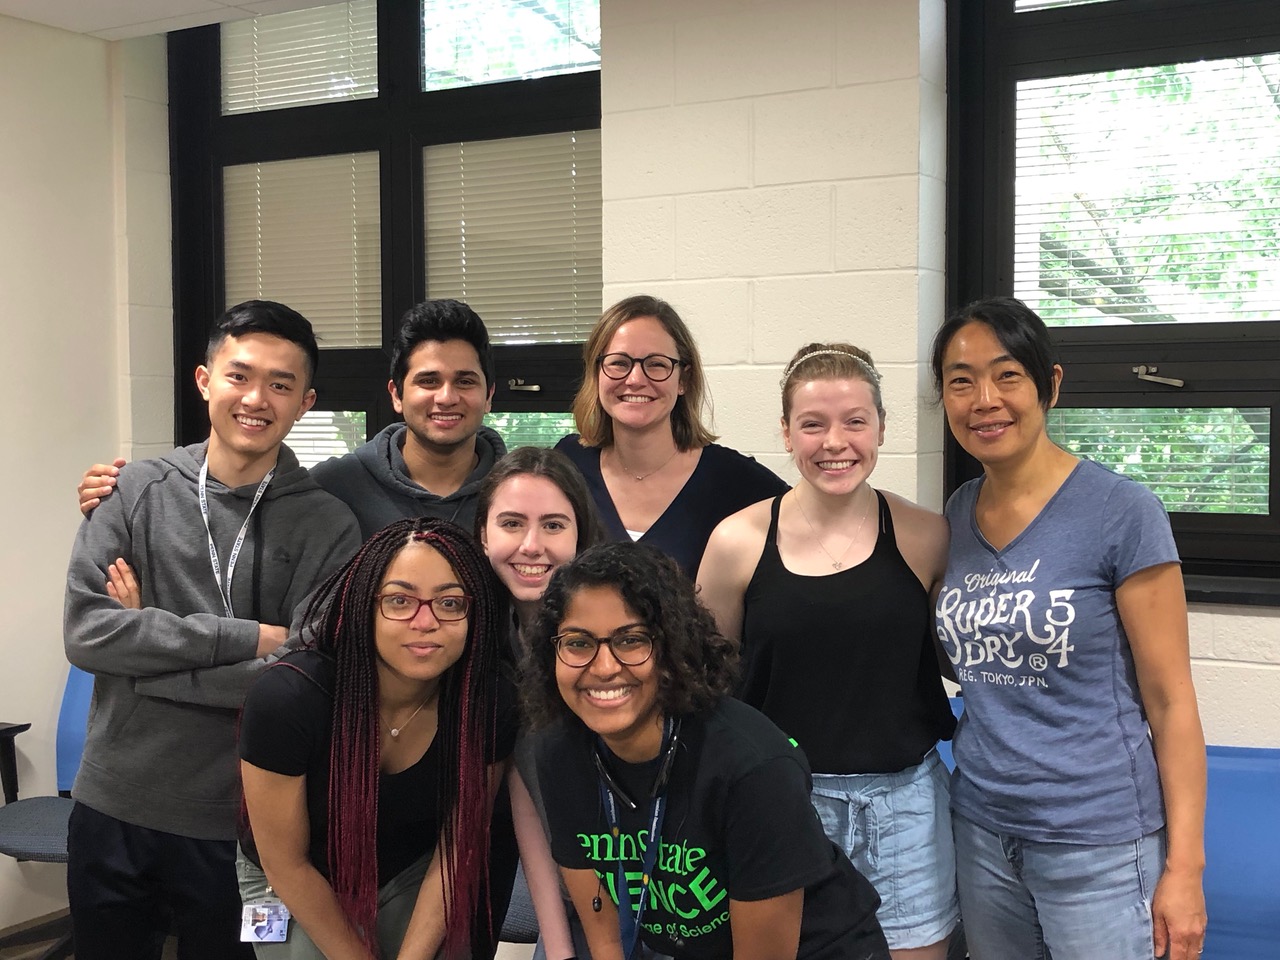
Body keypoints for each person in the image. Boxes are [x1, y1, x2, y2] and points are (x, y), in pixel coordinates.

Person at [63, 300, 362, 960]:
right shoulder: (131, 490)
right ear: (204, 381)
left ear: (305, 402)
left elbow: (303, 679)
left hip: (248, 829)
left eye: (281, 384)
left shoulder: (328, 525)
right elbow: (87, 636)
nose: (257, 399)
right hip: (114, 807)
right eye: (240, 376)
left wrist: (144, 642)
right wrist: (250, 637)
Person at [929, 296, 1207, 960]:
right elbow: (972, 656)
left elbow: (1171, 704)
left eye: (1007, 375)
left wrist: (1186, 869)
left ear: (1050, 384)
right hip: (984, 829)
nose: (983, 400)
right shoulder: (958, 512)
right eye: (960, 381)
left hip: (1099, 840)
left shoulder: (1124, 513)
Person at [697, 343, 959, 960]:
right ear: (786, 433)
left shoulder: (926, 535)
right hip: (783, 802)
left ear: (882, 428)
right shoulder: (737, 542)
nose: (834, 441)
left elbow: (960, 656)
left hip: (906, 807)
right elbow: (703, 684)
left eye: (854, 421)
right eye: (813, 424)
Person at [525, 542, 892, 960]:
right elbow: (607, 938)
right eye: (578, 643)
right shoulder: (560, 751)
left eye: (631, 640)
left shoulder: (753, 767)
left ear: (671, 649)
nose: (604, 667)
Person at [237, 517, 514, 960]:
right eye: (400, 601)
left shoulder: (490, 701)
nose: (425, 622)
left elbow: (456, 846)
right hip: (291, 877)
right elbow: (287, 864)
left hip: (412, 868)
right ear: (365, 606)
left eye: (450, 603)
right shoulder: (288, 698)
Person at [78, 298, 508, 537]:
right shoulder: (337, 487)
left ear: (488, 395)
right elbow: (233, 511)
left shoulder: (520, 492)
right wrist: (120, 498)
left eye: (465, 382)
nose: (446, 397)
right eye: (428, 380)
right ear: (396, 394)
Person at [474, 446, 604, 960]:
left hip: (658, 887)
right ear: (483, 534)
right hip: (564, 884)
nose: (532, 546)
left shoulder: (615, 640)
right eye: (511, 523)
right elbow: (525, 794)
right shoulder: (480, 641)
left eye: (553, 525)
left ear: (580, 535)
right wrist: (556, 948)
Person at [555, 295, 787, 576]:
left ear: (683, 380)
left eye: (656, 364)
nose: (636, 379)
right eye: (618, 363)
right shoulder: (568, 464)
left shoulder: (735, 481)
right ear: (597, 373)